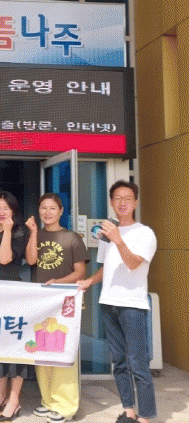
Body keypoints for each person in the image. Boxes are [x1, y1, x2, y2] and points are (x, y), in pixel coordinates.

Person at [77, 181, 157, 423]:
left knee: (138, 363)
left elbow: (133, 264)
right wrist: (89, 281)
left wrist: (118, 239)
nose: (123, 203)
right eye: (118, 198)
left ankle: (145, 416)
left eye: (128, 198)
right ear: (111, 202)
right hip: (108, 302)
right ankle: (128, 411)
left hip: (132, 305)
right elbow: (106, 267)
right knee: (119, 362)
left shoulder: (145, 233)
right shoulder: (107, 235)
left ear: (135, 202)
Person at [25, 193, 88, 423]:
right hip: (42, 302)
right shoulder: (36, 234)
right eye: (43, 208)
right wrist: (33, 232)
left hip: (65, 302)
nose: (47, 212)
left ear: (61, 211)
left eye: (52, 208)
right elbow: (31, 260)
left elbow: (80, 272)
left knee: (62, 351)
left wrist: (57, 283)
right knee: (42, 352)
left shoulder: (72, 238)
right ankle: (48, 401)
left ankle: (65, 406)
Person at [0, 191, 30, 422]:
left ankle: (14, 400)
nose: (1, 212)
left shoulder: (19, 233)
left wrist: (8, 231)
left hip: (13, 296)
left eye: (6, 208)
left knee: (14, 348)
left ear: (13, 211)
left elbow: (3, 259)